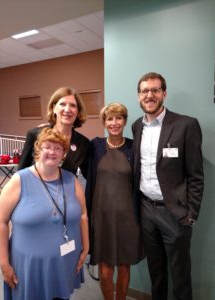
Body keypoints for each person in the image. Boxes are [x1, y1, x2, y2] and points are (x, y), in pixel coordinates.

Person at [132, 72, 204, 300]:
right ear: (139, 96)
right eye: (144, 91)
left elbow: (196, 175)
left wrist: (191, 215)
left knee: (180, 274)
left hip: (175, 214)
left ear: (164, 93)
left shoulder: (186, 125)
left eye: (154, 90)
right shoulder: (137, 127)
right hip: (146, 210)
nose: (149, 95)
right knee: (157, 272)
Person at [0, 128, 89, 300]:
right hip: (29, 267)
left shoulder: (72, 180)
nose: (52, 152)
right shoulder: (19, 180)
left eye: (58, 148)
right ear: (38, 149)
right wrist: (3, 262)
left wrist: (86, 248)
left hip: (64, 262)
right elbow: (1, 222)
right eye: (48, 147)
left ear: (63, 154)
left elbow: (83, 215)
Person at [86, 103, 144, 300]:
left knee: (124, 268)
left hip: (128, 219)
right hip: (101, 218)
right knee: (104, 271)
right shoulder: (95, 146)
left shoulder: (134, 148)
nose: (114, 122)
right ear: (104, 122)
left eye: (118, 118)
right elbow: (71, 149)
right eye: (109, 119)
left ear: (125, 121)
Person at [18, 87, 90, 178]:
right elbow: (21, 171)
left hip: (66, 191)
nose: (67, 110)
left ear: (78, 111)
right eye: (62, 104)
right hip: (35, 191)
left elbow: (90, 176)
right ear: (54, 108)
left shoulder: (83, 143)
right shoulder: (35, 134)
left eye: (73, 105)